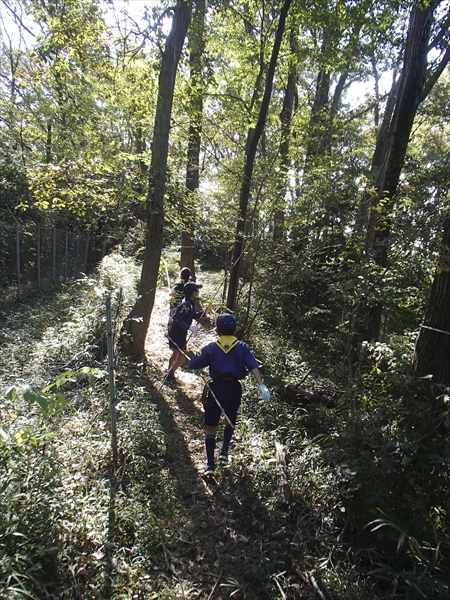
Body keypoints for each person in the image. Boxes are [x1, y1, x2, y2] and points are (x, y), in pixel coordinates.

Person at [188, 313, 270, 475]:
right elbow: (253, 366)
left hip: (216, 388)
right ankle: (224, 450)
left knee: (211, 426)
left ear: (217, 331)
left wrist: (197, 365)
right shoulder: (242, 348)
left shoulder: (211, 348)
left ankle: (210, 465)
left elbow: (193, 363)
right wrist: (261, 385)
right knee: (229, 420)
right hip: (234, 389)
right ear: (236, 329)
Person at [166, 282, 204, 381]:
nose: (197, 292)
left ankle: (170, 372)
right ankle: (169, 373)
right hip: (177, 331)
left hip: (180, 331)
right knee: (179, 353)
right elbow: (178, 319)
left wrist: (204, 312)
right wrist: (189, 327)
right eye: (196, 290)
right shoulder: (186, 303)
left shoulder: (190, 302)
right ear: (192, 293)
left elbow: (193, 315)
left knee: (179, 353)